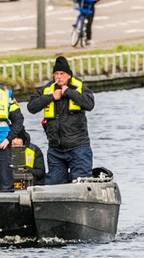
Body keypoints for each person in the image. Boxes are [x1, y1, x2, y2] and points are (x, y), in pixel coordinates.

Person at [27, 56, 96, 185]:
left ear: (69, 75)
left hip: (78, 147)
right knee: (53, 183)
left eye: (62, 74)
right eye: (56, 74)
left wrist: (69, 92)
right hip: (56, 150)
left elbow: (90, 104)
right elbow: (31, 107)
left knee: (80, 183)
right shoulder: (47, 90)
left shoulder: (79, 88)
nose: (59, 77)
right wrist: (51, 97)